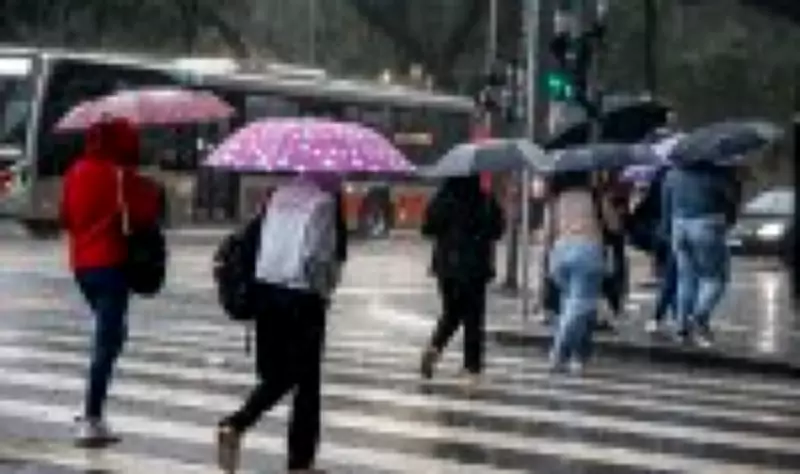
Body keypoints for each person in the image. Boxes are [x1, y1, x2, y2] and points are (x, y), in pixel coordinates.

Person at [216, 173, 347, 474]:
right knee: (306, 381)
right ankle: (246, 428)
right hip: (303, 299)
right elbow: (317, 258)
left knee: (279, 374)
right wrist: (327, 288)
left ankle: (243, 428)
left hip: (267, 295)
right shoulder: (324, 202)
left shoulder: (277, 196)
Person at [60, 118, 161, 446]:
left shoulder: (75, 170)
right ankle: (91, 417)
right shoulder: (121, 175)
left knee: (113, 336)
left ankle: (93, 411)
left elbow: (65, 218)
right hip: (111, 266)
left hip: (81, 266)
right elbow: (146, 213)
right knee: (107, 342)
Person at [419, 176, 504, 388]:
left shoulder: (442, 198)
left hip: (446, 267)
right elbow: (497, 230)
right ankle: (472, 369)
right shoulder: (484, 199)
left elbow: (427, 229)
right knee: (473, 318)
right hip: (474, 267)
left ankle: (434, 347)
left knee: (451, 312)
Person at [661, 161, 740, 347]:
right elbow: (730, 199)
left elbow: (666, 205)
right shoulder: (714, 174)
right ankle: (699, 317)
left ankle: (681, 327)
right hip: (706, 223)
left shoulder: (672, 174)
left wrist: (666, 230)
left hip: (678, 225)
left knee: (685, 279)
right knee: (716, 278)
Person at [544, 171, 612, 373]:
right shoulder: (595, 197)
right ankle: (559, 352)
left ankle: (579, 356)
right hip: (587, 252)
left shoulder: (557, 199)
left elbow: (548, 233)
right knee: (580, 307)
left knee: (573, 306)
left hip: (561, 253)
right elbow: (614, 225)